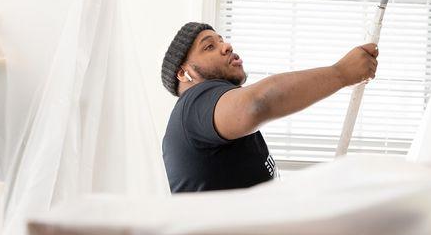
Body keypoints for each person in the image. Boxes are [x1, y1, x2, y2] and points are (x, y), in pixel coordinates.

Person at [161, 22, 379, 193]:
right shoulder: (194, 103)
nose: (227, 47)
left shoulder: (213, 115)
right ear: (183, 73)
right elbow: (257, 104)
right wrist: (341, 73)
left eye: (222, 41)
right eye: (210, 46)